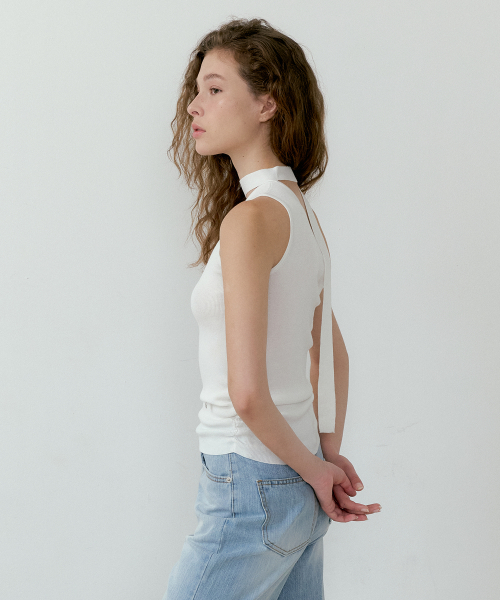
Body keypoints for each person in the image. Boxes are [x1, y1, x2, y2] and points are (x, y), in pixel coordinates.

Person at [162, 17, 381, 600]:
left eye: (214, 88)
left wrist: (318, 471)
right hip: (294, 481)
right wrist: (322, 461)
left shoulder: (252, 220)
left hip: (248, 485)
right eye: (196, 90)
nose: (194, 106)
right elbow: (332, 358)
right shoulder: (299, 212)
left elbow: (248, 395)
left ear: (267, 103)